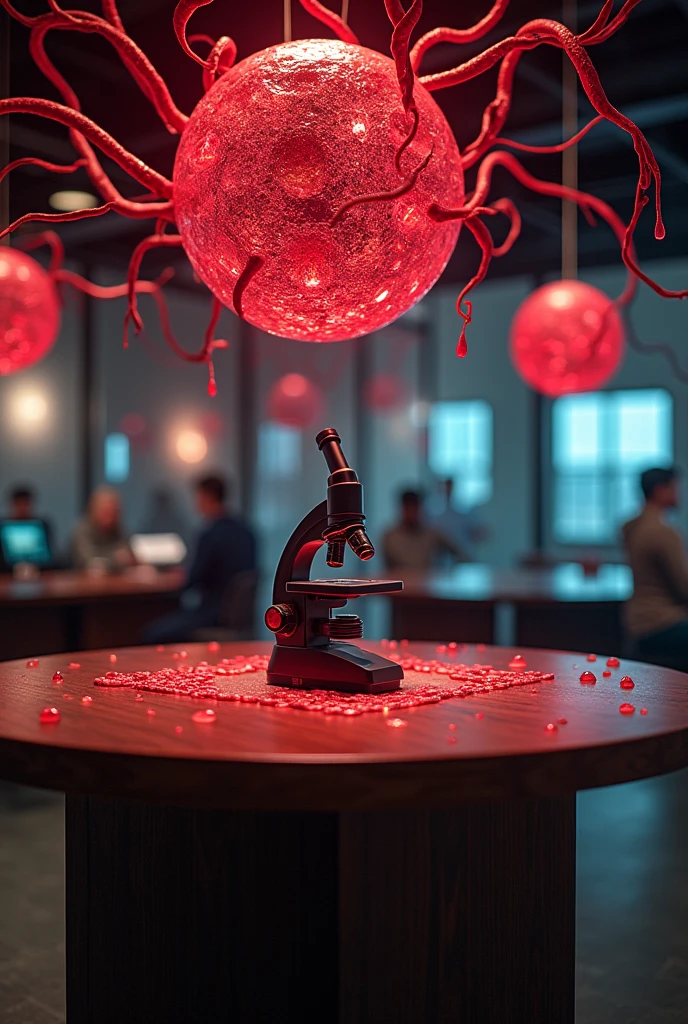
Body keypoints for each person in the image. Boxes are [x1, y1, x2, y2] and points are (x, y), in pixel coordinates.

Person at [143, 474, 257, 643]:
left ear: (206, 496)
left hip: (213, 614)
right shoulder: (246, 530)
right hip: (238, 617)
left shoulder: (210, 534)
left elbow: (193, 580)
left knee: (152, 633)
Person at [621, 466, 688, 671]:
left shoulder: (631, 526)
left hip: (636, 621)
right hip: (661, 622)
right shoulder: (662, 532)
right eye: (675, 488)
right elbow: (685, 588)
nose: (679, 494)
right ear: (660, 491)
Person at [382, 488, 467, 573]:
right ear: (402, 509)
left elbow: (459, 553)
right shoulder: (390, 537)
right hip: (402, 583)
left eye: (415, 508)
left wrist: (449, 573)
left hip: (427, 583)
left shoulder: (432, 534)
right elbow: (388, 568)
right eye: (408, 508)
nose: (411, 513)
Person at [71, 486, 133, 571]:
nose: (111, 516)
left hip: (113, 581)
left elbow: (127, 554)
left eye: (114, 511)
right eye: (106, 511)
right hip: (81, 581)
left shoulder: (118, 529)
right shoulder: (82, 530)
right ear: (94, 510)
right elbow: (88, 561)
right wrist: (115, 559)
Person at [426, 477, 489, 562]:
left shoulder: (464, 511)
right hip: (440, 559)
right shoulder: (433, 512)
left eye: (449, 486)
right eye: (445, 486)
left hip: (461, 556)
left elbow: (478, 532)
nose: (448, 489)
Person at [6, 484, 54, 552]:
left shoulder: (42, 526)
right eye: (19, 504)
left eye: (25, 504)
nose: (22, 509)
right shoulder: (3, 526)